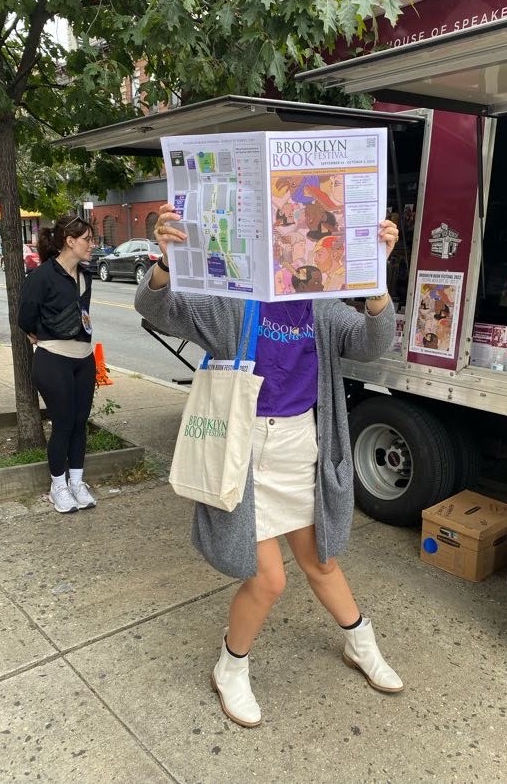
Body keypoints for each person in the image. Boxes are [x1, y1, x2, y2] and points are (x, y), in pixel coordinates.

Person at [135, 203, 403, 729]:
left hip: (301, 445)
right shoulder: (234, 301)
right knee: (268, 580)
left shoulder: (319, 305)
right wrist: (165, 263)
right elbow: (161, 310)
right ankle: (231, 666)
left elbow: (371, 344)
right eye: (281, 232)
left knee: (321, 560)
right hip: (245, 450)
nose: (291, 244)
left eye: (299, 234)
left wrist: (376, 278)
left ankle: (361, 643)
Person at [18, 215, 97, 514]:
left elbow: (83, 315)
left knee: (79, 423)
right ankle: (58, 486)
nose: (92, 245)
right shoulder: (42, 276)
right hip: (53, 359)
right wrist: (38, 335)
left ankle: (77, 482)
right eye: (88, 239)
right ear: (70, 241)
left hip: (83, 359)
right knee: (63, 423)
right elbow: (25, 317)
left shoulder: (86, 276)